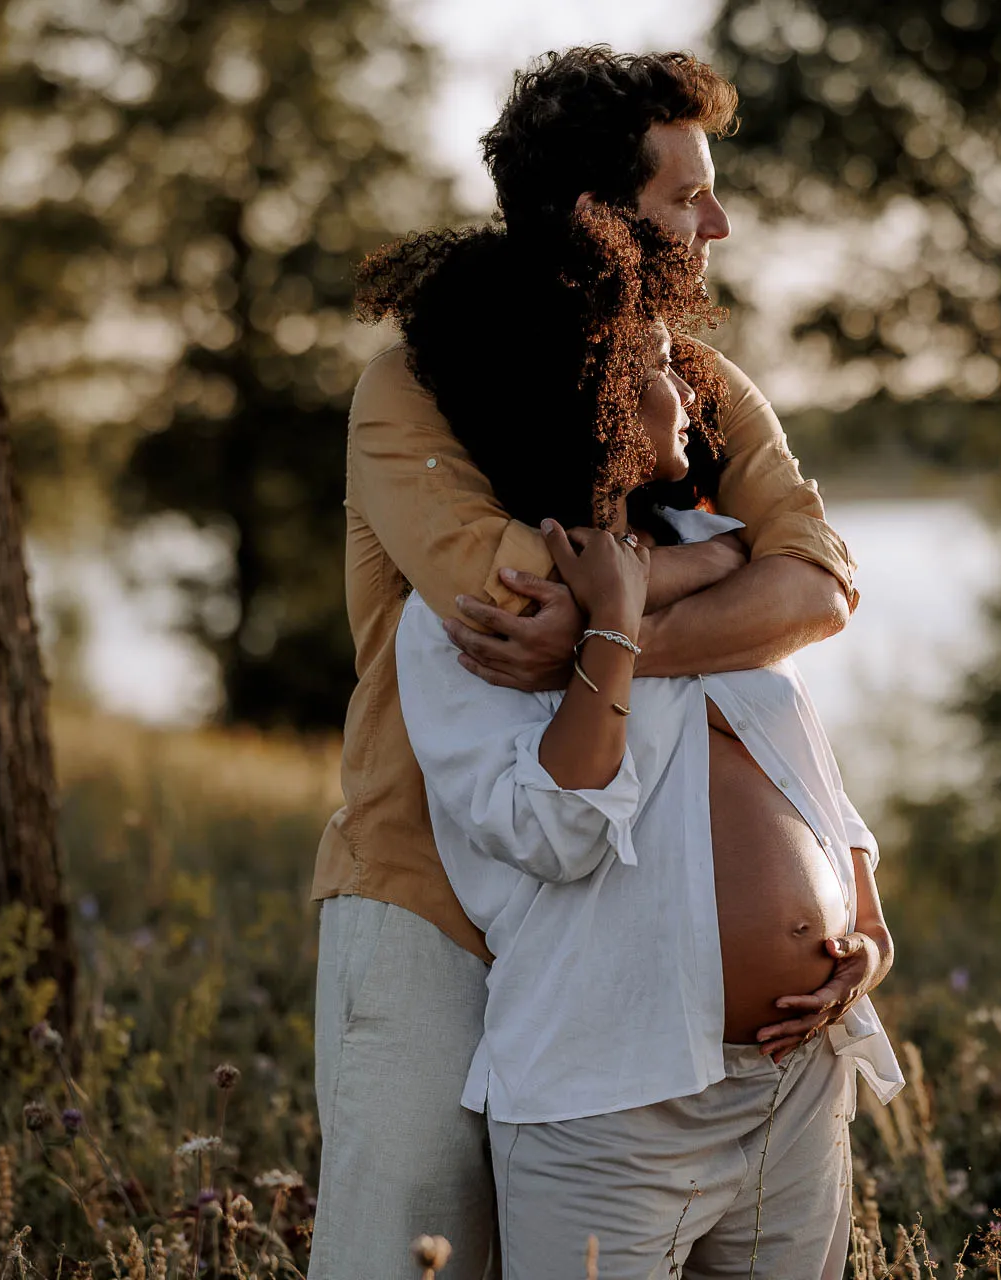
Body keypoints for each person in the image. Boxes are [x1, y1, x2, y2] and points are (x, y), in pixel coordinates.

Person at [308, 49, 880, 1279]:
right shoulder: (414, 385)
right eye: (687, 198)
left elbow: (819, 580)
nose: (717, 223)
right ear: (598, 218)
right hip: (435, 901)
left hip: (629, 942)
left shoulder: (704, 389)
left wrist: (625, 630)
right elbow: (503, 598)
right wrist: (709, 573)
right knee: (410, 1254)